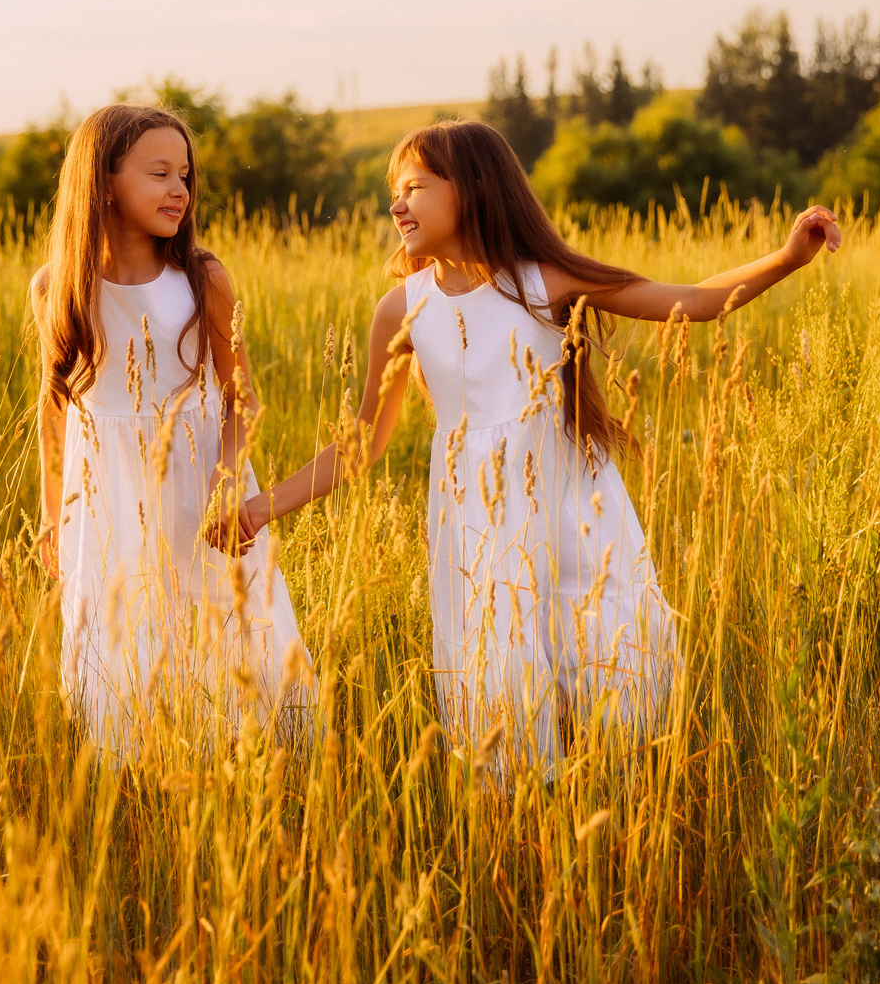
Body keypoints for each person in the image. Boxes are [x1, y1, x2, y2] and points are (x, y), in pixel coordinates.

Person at [211, 120, 841, 766]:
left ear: (472, 188)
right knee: (499, 671)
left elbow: (692, 301)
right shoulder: (402, 308)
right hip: (476, 520)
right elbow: (361, 442)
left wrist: (787, 258)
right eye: (394, 191)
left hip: (570, 504)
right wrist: (261, 507)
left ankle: (618, 790)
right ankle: (517, 808)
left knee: (600, 649)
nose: (397, 205)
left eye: (414, 187)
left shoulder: (543, 282)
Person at [32, 104, 313, 756]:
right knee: (120, 634)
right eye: (159, 173)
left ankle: (249, 768)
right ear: (104, 182)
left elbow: (243, 399)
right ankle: (136, 778)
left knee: (223, 626)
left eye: (184, 175)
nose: (179, 190)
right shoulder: (55, 288)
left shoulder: (201, 279)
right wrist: (53, 517)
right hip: (105, 499)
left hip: (198, 484)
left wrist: (226, 482)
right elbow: (55, 409)